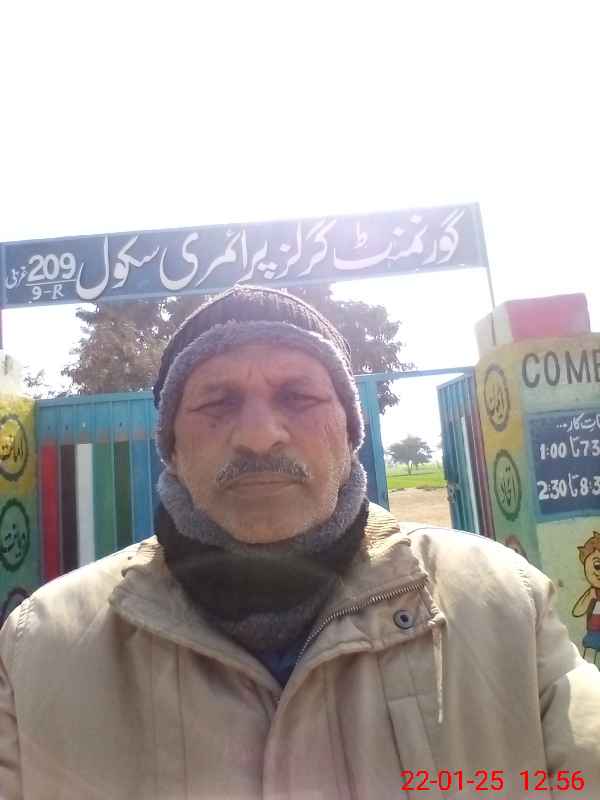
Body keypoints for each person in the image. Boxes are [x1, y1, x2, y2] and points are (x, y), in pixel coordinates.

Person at [1, 285, 599, 799]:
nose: (259, 436)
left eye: (298, 396)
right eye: (217, 402)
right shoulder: (42, 650)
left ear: (349, 430)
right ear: (172, 447)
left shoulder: (504, 607)